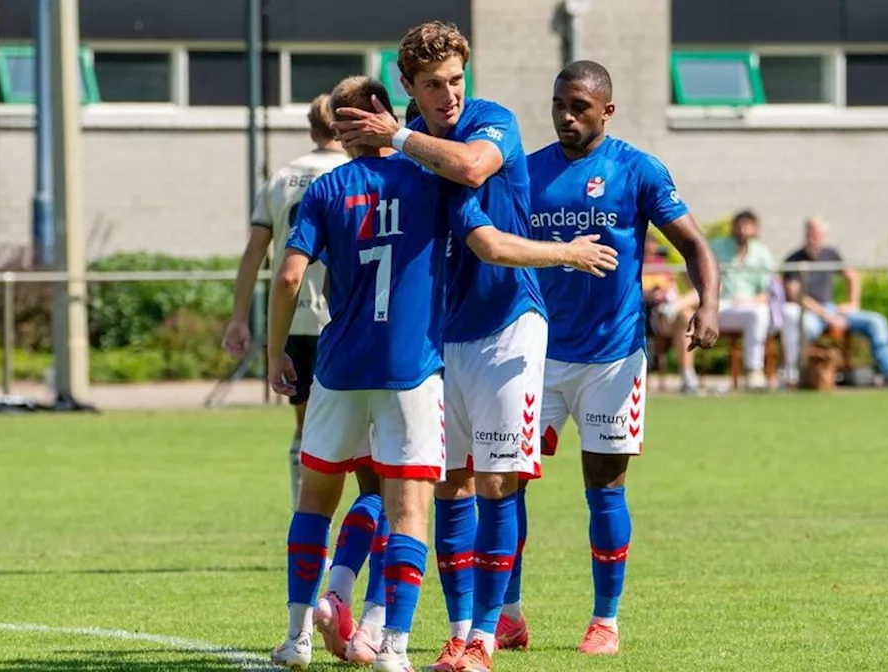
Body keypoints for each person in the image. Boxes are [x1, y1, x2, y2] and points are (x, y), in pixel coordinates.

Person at [333, 23, 619, 672]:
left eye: (457, 80)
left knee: (497, 481)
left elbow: (471, 172)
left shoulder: (490, 121)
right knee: (450, 488)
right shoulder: (407, 147)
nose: (450, 95)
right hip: (442, 337)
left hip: (510, 327)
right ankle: (457, 632)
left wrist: (568, 254)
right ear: (408, 87)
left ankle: (485, 639)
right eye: (433, 85)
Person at [513, 61, 721, 656]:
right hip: (539, 354)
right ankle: (508, 614)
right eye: (559, 104)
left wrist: (707, 305)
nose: (566, 116)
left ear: (607, 110)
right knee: (504, 483)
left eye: (578, 106)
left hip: (612, 359)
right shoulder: (528, 174)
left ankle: (605, 620)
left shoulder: (638, 170)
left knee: (604, 488)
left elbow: (695, 245)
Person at [267, 75, 446, 672]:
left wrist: (275, 352)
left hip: (340, 368)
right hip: (411, 369)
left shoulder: (327, 189)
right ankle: (394, 645)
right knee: (409, 510)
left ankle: (296, 638)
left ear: (350, 125)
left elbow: (289, 277)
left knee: (315, 502)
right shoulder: (427, 179)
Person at [223, 93, 385, 662]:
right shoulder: (383, 176)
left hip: (301, 331)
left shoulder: (287, 179)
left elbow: (259, 255)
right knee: (385, 484)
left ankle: (299, 627)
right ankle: (370, 622)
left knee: (313, 466)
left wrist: (244, 321)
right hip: (377, 339)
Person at [781, 217, 888, 387]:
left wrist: (853, 302)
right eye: (811, 233)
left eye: (818, 234)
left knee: (876, 321)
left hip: (832, 309)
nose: (814, 238)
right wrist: (825, 315)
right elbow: (796, 296)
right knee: (806, 329)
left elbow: (852, 275)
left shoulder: (831, 254)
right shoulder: (793, 259)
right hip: (812, 312)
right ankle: (799, 374)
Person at [689, 210, 775, 390]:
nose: (743, 230)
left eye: (748, 226)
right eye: (740, 225)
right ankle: (690, 376)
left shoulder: (762, 253)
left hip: (748, 307)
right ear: (733, 227)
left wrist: (750, 300)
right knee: (694, 315)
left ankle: (753, 371)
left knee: (760, 313)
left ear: (755, 229)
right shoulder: (716, 247)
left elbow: (768, 292)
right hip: (720, 305)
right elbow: (694, 265)